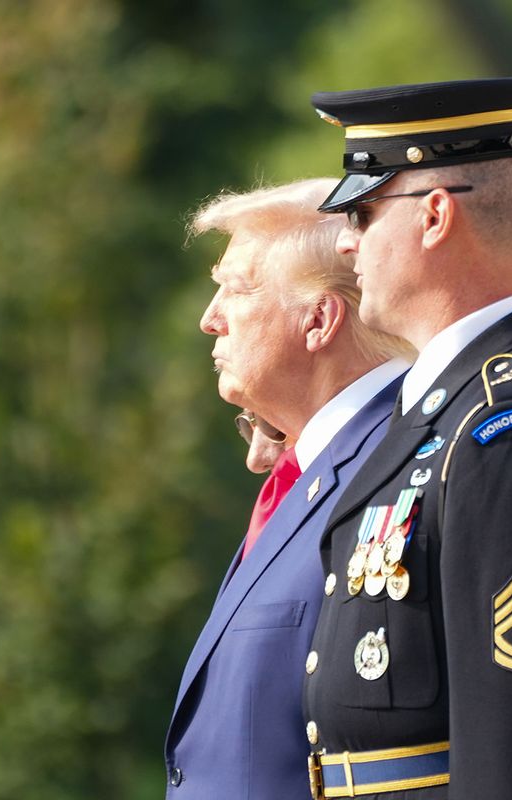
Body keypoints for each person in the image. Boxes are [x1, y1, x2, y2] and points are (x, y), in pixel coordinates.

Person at [301, 78, 512, 798]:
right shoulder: (452, 407)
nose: (348, 242)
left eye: (362, 211)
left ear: (434, 216)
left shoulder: (510, 427)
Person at [164, 179, 413, 799]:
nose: (209, 318)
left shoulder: (394, 467)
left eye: (237, 289)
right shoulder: (310, 469)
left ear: (319, 319)